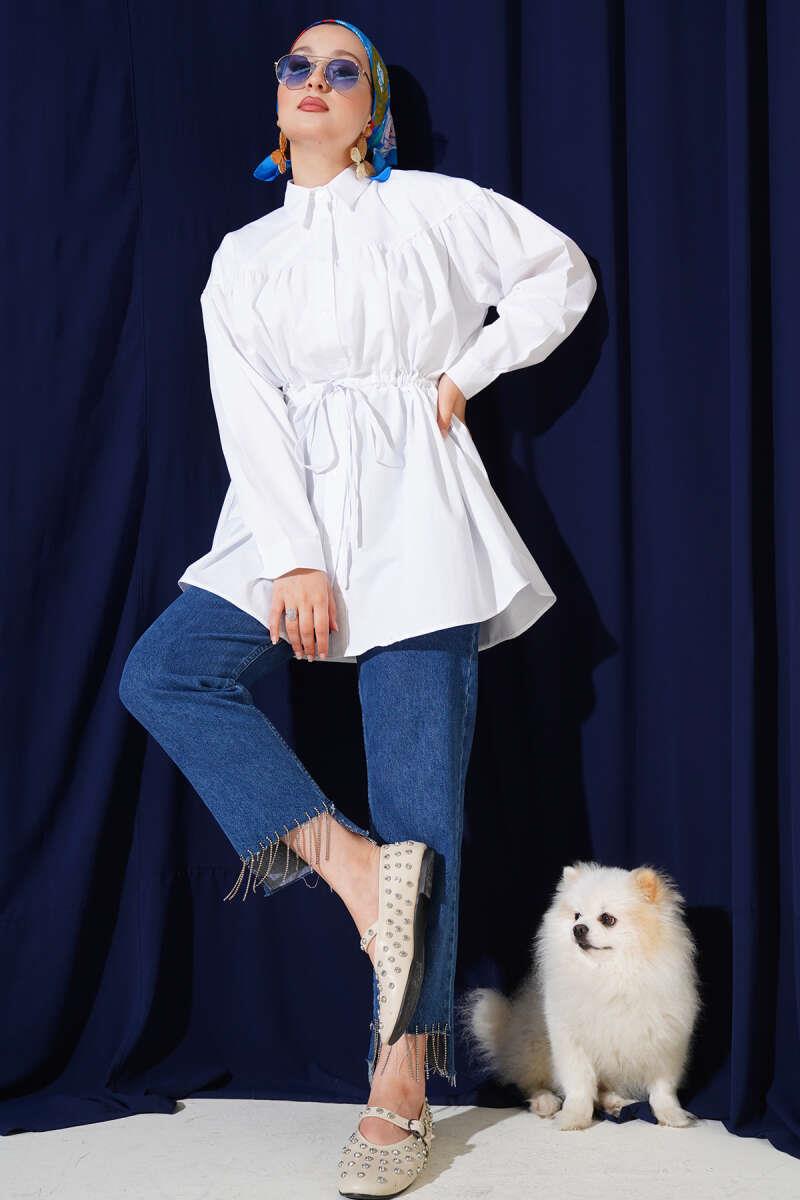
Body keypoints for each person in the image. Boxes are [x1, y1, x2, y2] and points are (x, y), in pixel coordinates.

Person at [118, 16, 596, 1197]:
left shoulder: (431, 207)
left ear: (370, 107)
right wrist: (292, 557)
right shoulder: (244, 256)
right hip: (290, 510)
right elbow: (247, 411)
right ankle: (346, 866)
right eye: (299, 66)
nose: (317, 82)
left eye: (344, 71)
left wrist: (465, 373)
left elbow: (560, 274)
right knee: (166, 673)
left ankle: (399, 1085)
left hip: (422, 513)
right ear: (277, 99)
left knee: (421, 802)